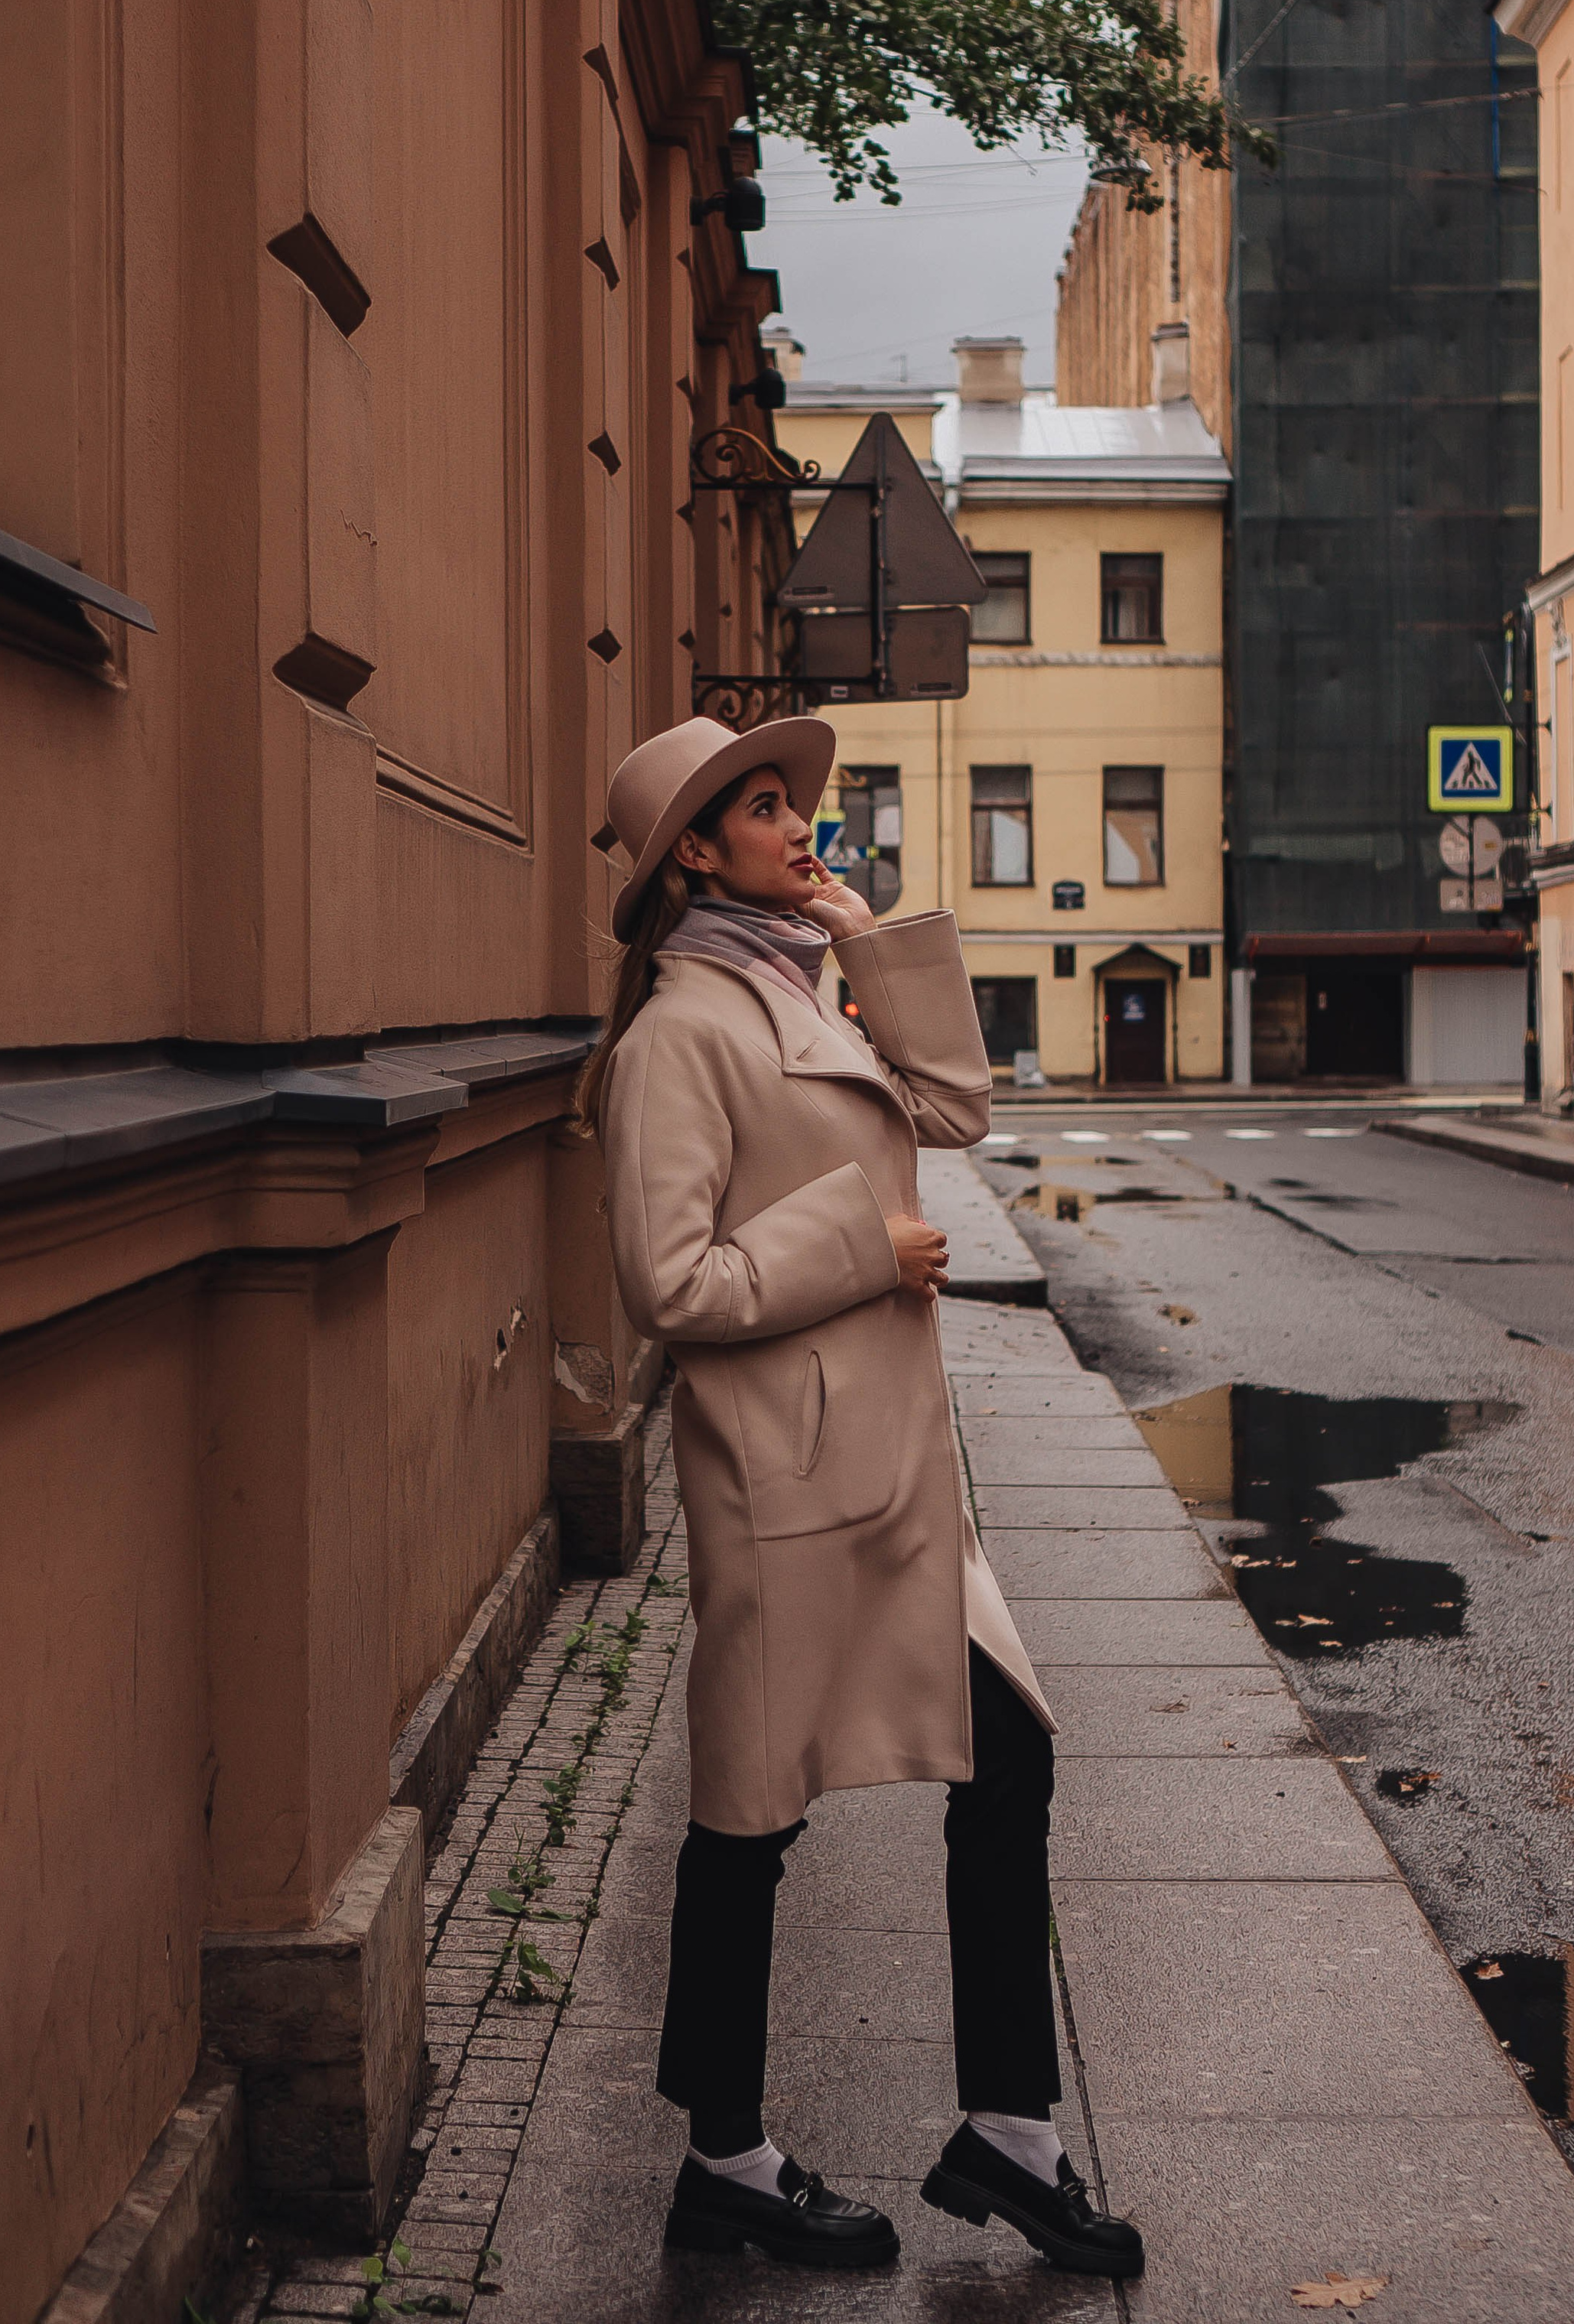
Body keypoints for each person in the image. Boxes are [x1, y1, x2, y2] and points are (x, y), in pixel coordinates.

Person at [579, 713, 1143, 2280]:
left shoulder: (794, 978)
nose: (796, 826)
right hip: (785, 1485)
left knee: (1006, 1758)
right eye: (763, 811)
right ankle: (727, 2162)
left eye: (790, 805)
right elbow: (666, 1280)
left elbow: (954, 1109)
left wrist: (865, 934)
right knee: (744, 1824)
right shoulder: (674, 1037)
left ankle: (1009, 2137)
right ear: (694, 849)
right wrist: (863, 1246)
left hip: (892, 1485)